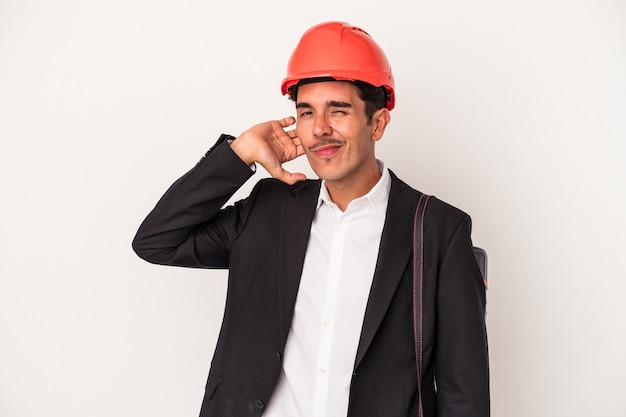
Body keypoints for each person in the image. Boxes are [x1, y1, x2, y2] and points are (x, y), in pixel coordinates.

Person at [132, 21, 489, 417]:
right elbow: (157, 240)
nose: (320, 129)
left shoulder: (437, 231)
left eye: (338, 110)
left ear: (378, 122)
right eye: (306, 112)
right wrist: (241, 152)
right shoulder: (268, 209)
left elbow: (464, 389)